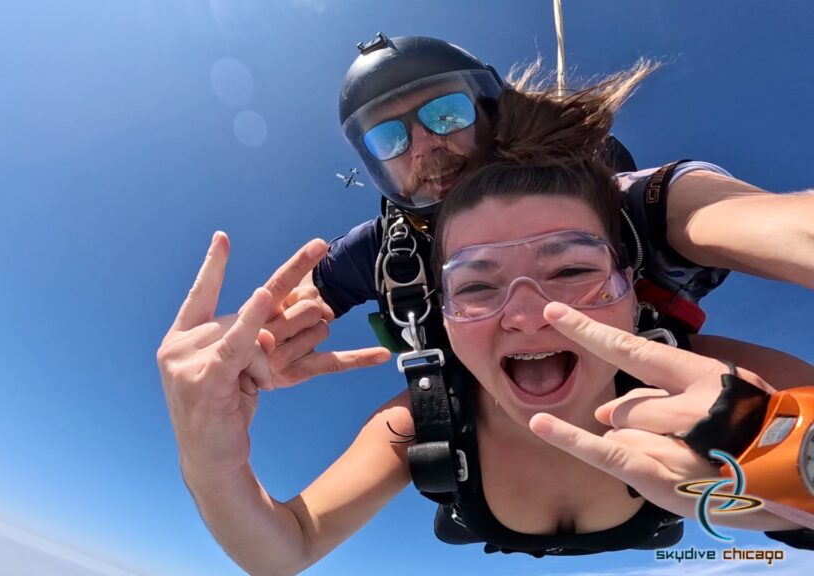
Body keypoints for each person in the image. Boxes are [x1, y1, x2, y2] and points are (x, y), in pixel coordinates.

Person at [158, 89, 814, 572]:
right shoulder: (429, 418)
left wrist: (793, 461)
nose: (526, 315)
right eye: (475, 285)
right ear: (438, 313)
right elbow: (284, 546)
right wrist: (210, 454)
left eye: (571, 269)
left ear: (628, 282)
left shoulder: (723, 389)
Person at [268, 34, 814, 390]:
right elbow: (287, 309)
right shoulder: (388, 253)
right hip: (479, 435)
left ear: (492, 112)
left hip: (651, 386)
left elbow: (773, 226)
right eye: (388, 138)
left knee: (744, 382)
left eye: (445, 113)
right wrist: (249, 351)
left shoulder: (638, 204)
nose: (422, 147)